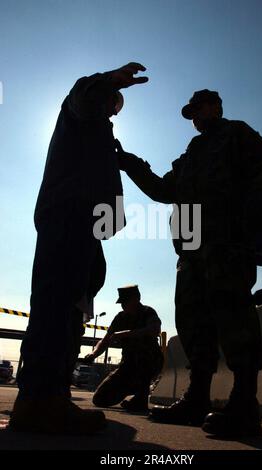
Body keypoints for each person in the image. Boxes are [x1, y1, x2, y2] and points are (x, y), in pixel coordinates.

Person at [117, 89, 262, 436]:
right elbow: (163, 190)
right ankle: (197, 398)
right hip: (191, 250)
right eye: (191, 112)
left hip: (226, 241)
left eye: (199, 108)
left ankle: (244, 403)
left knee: (233, 313)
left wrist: (253, 210)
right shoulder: (191, 153)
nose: (195, 116)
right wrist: (128, 161)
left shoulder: (237, 133)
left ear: (216, 107)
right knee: (193, 321)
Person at [10, 63, 148, 435]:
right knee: (57, 302)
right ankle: (40, 399)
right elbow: (82, 96)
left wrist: (110, 219)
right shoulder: (80, 109)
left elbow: (101, 177)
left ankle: (50, 395)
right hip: (70, 213)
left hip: (85, 220)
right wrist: (110, 81)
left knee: (76, 299)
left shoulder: (99, 132)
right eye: (114, 102)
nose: (115, 109)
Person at [84, 285, 164, 413]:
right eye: (122, 303)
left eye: (126, 302)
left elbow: (154, 330)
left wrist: (125, 334)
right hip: (127, 366)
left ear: (137, 299)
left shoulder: (148, 312)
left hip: (150, 362)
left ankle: (141, 396)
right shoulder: (120, 317)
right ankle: (131, 388)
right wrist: (93, 354)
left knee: (144, 355)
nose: (123, 306)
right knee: (100, 399)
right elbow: (105, 340)